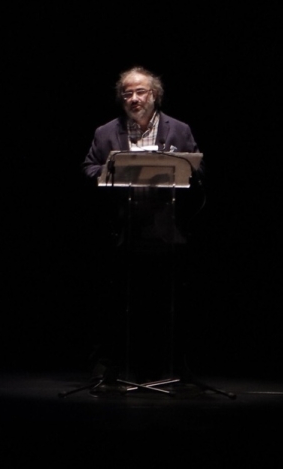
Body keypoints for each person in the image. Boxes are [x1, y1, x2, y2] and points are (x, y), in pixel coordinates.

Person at [81, 66, 203, 385]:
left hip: (166, 229)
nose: (134, 98)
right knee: (114, 302)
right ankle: (107, 368)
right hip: (122, 229)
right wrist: (111, 172)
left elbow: (198, 170)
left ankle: (176, 368)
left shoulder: (179, 129)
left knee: (169, 302)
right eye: (127, 93)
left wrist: (184, 171)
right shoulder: (105, 132)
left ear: (155, 95)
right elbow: (90, 166)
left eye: (140, 92)